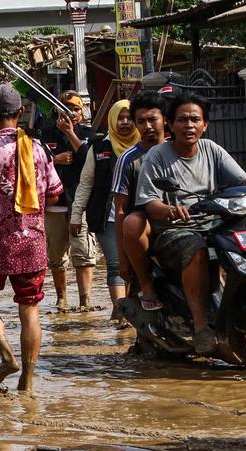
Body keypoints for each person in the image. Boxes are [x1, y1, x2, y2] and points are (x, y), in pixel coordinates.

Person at [133, 92, 246, 355]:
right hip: (177, 229)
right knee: (197, 251)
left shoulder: (212, 149)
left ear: (205, 124)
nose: (189, 125)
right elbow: (149, 203)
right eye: (182, 120)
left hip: (216, 222)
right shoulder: (157, 156)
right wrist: (171, 209)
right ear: (170, 124)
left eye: (195, 119)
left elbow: (242, 179)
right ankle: (202, 325)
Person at [0, 83, 63, 393]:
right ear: (20, 113)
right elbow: (55, 194)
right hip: (33, 239)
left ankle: (6, 356)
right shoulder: (39, 149)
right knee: (29, 309)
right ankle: (27, 381)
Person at [69, 98, 139, 313]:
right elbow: (86, 182)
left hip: (140, 215)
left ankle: (135, 310)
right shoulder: (99, 146)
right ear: (111, 120)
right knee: (116, 263)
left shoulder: (145, 147)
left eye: (129, 118)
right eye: (120, 118)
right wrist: (76, 215)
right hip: (107, 217)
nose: (125, 122)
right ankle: (121, 312)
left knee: (138, 265)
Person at [114, 91, 168, 315]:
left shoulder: (180, 149)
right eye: (141, 121)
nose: (147, 126)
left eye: (152, 119)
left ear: (164, 119)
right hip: (145, 233)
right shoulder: (128, 159)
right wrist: (123, 261)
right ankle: (146, 288)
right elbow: (119, 211)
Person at [42, 90, 97, 310]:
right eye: (65, 109)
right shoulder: (46, 135)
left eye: (75, 108)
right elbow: (35, 164)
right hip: (54, 204)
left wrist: (72, 135)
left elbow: (89, 160)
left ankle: (85, 301)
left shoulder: (89, 134)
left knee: (83, 254)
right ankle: (61, 298)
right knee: (56, 256)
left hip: (80, 204)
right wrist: (54, 160)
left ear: (81, 112)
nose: (71, 113)